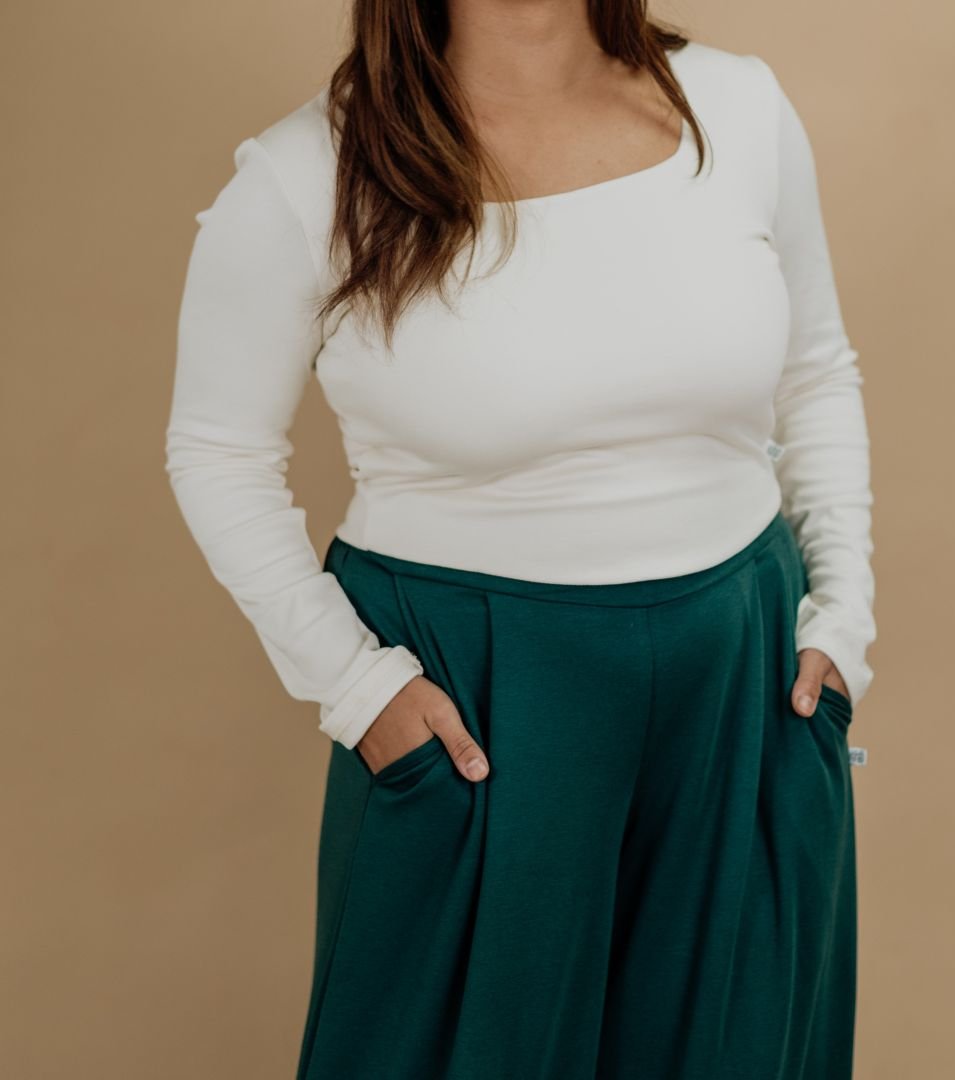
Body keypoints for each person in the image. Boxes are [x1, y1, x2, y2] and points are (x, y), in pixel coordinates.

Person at [164, 4, 876, 1077]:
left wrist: (844, 612)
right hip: (481, 693)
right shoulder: (305, 174)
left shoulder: (739, 105)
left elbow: (816, 372)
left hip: (744, 677)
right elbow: (217, 450)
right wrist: (354, 688)